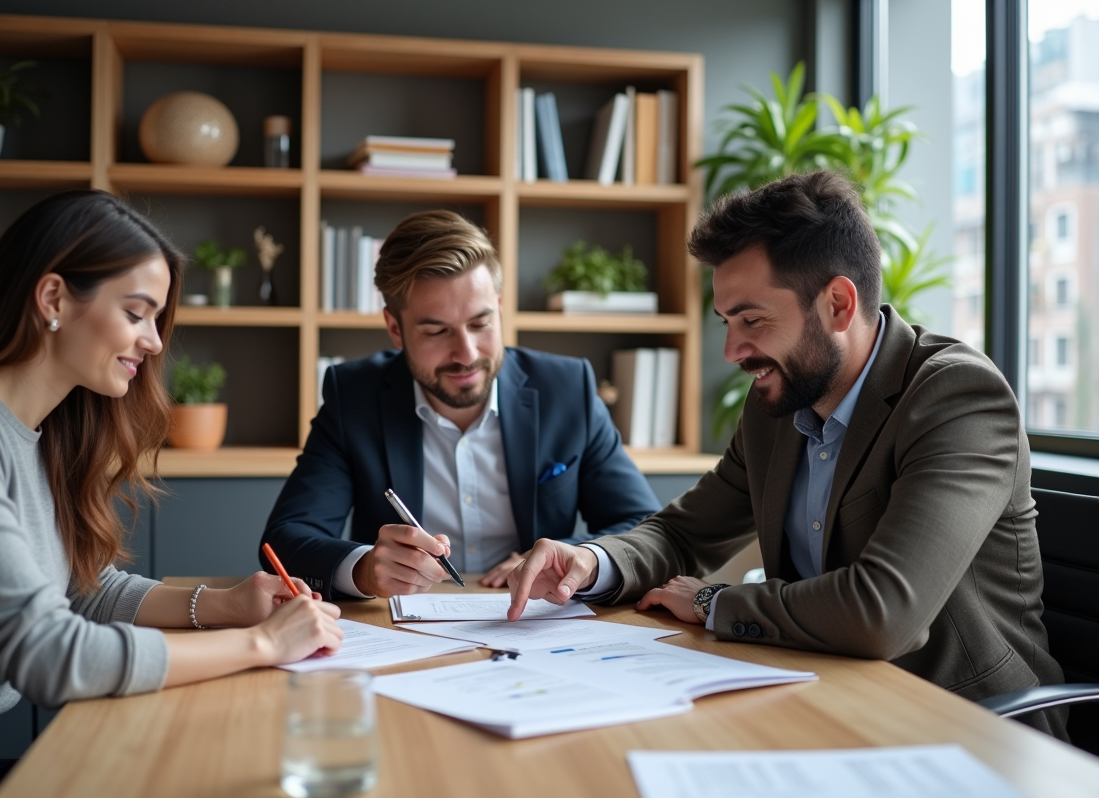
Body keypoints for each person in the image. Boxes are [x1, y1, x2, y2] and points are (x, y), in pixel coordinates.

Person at [507, 171, 1067, 739]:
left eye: (753, 320)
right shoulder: (776, 406)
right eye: (726, 322)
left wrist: (711, 601)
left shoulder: (957, 398)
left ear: (838, 304)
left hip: (968, 727)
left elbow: (883, 611)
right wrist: (592, 562)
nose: (732, 350)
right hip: (829, 703)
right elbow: (683, 534)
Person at [0, 191, 343, 785]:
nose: (156, 341)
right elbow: (49, 655)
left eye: (157, 318)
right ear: (53, 297)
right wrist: (260, 645)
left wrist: (227, 604)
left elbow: (83, 590)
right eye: (137, 314)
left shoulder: (42, 431)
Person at [261, 210, 660, 599]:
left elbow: (644, 526)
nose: (466, 353)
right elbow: (286, 538)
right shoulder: (353, 396)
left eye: (480, 324)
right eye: (437, 330)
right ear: (395, 328)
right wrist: (364, 568)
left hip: (535, 624)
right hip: (405, 634)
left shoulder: (567, 388)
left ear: (500, 309)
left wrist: (577, 555)